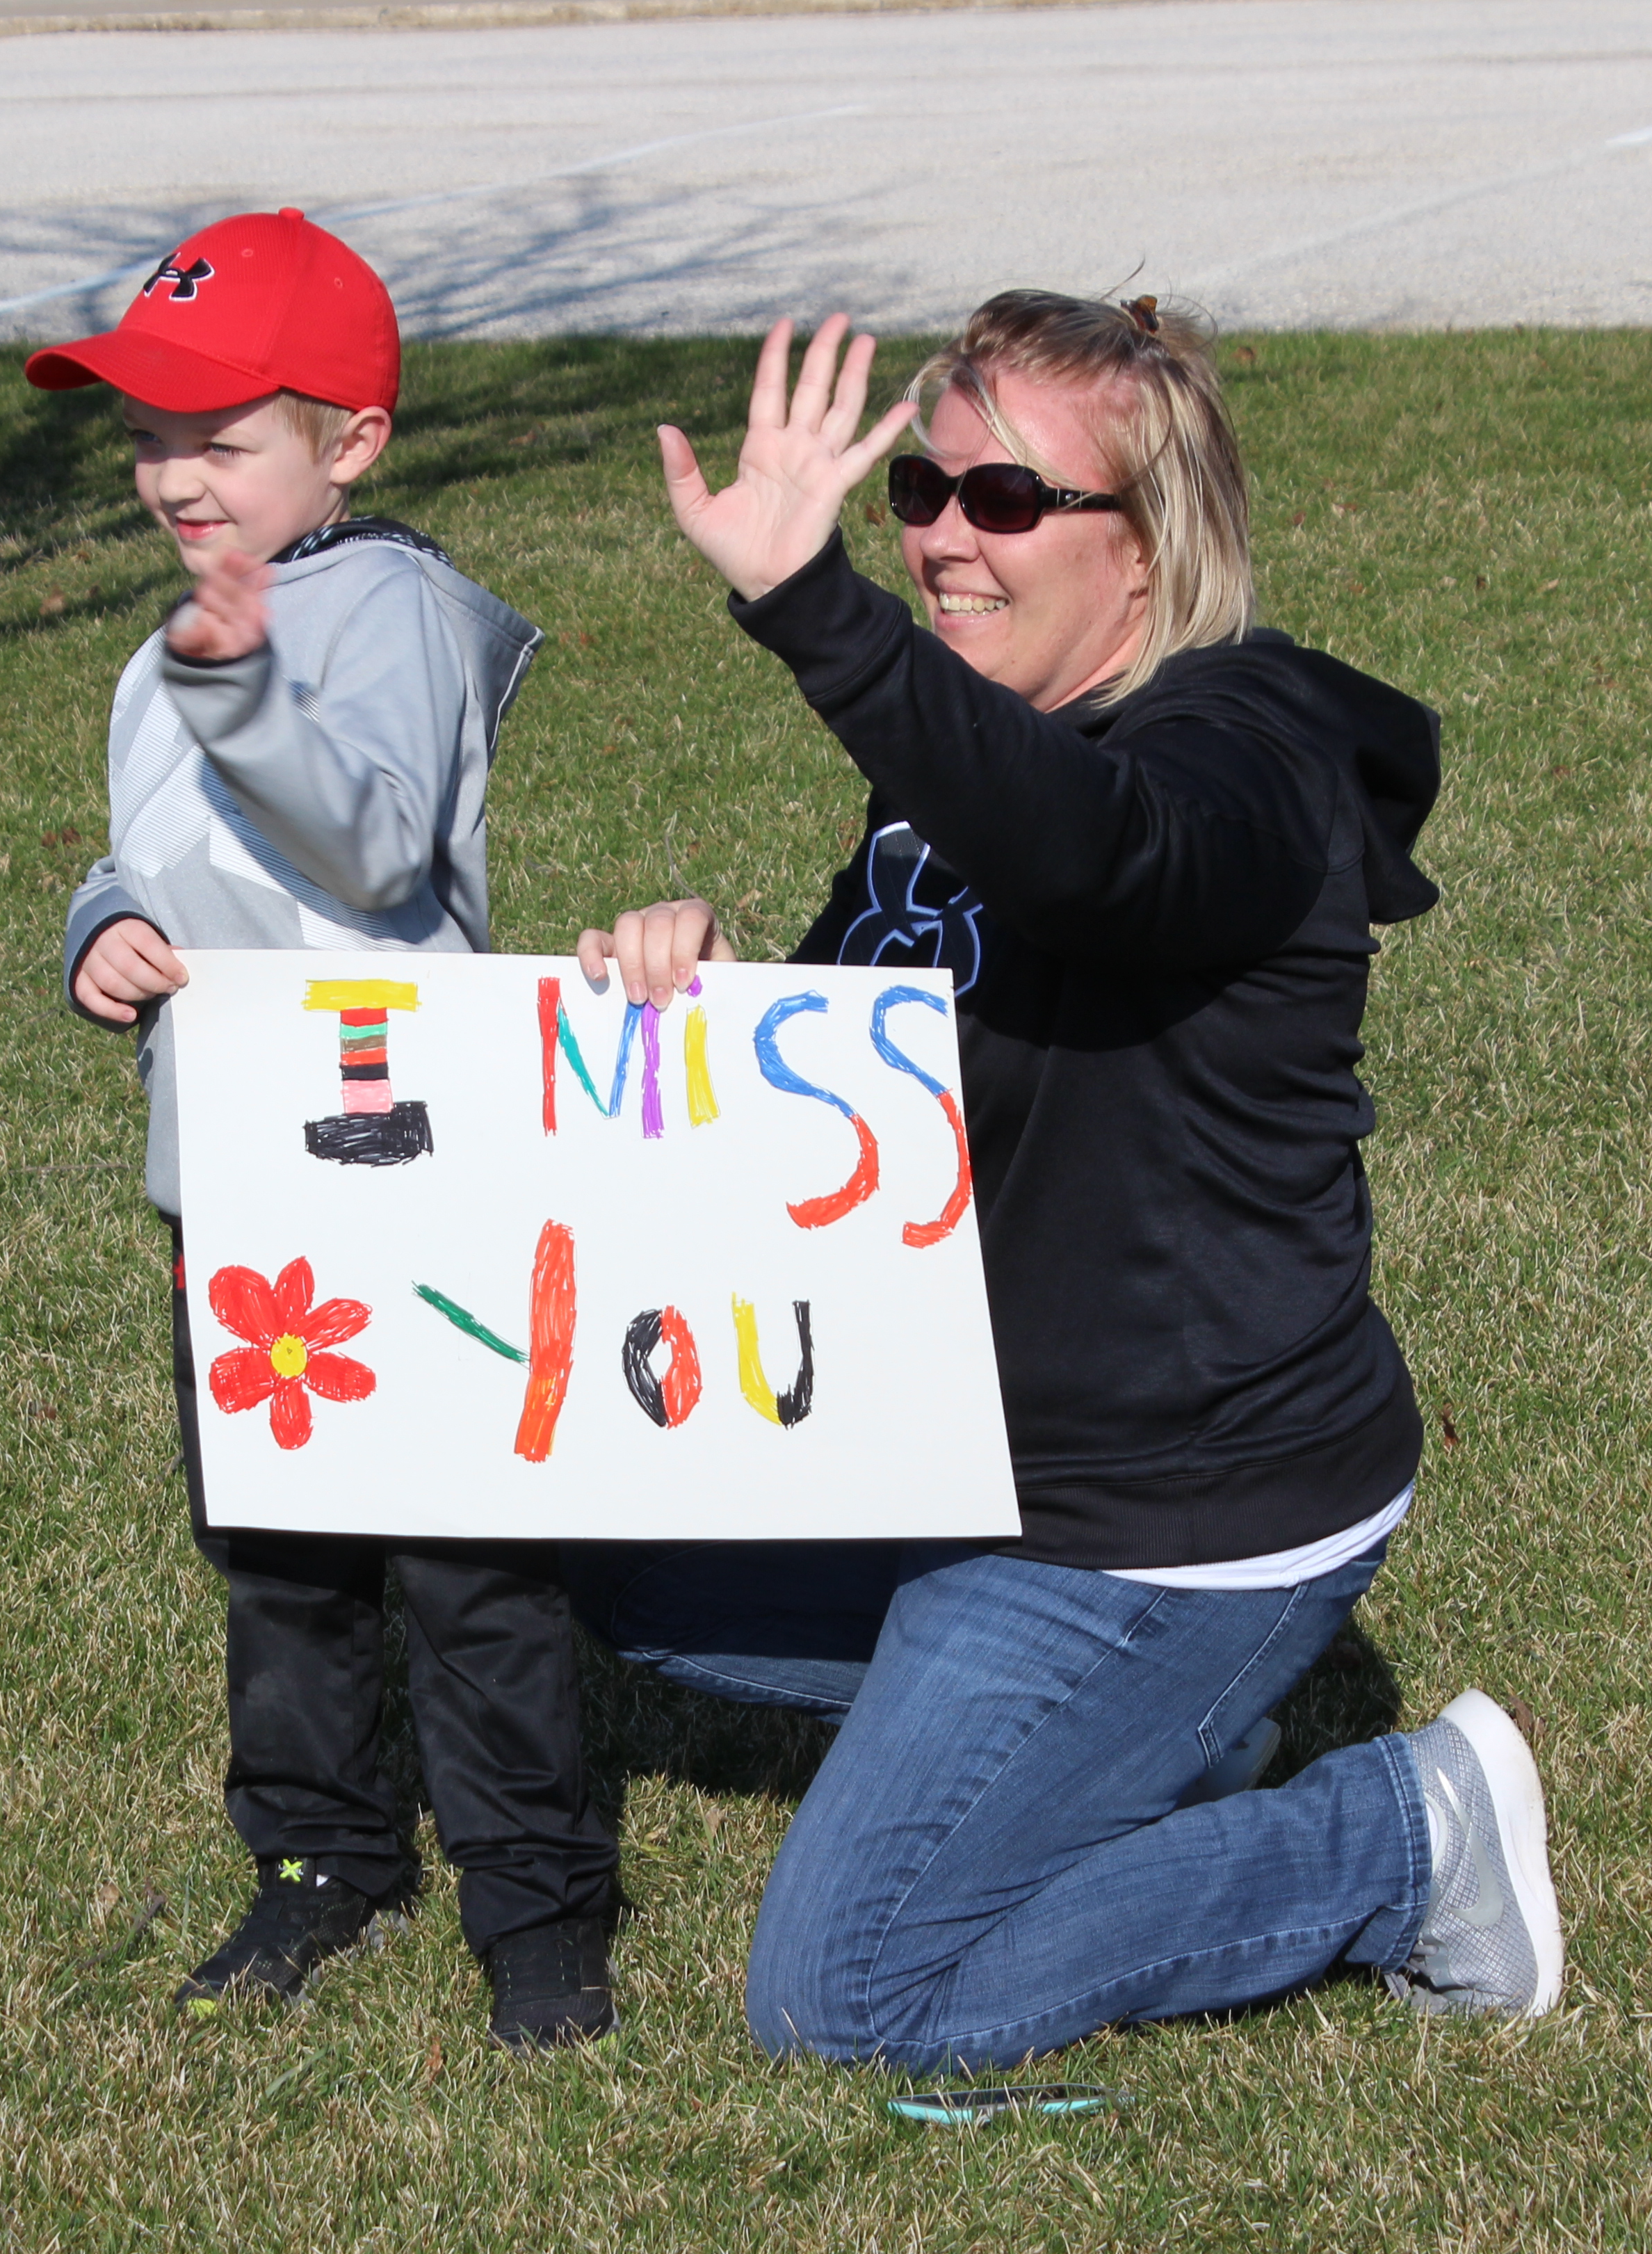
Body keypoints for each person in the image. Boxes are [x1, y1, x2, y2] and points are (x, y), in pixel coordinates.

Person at [569, 293, 1563, 2070]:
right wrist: (715, 991)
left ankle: (1405, 1839)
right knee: (585, 1545)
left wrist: (817, 612)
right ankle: (1142, 1748)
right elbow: (856, 1089)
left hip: (1174, 1514)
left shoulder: (1245, 760)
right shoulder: (960, 763)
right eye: (921, 499)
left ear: (1146, 545)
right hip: (966, 1443)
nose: (950, 538)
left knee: (844, 1998)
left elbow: (1103, 862)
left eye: (1008, 501)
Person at [35, 209, 622, 2048]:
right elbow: (157, 851)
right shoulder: (184, 644)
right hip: (235, 1180)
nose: (171, 476)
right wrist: (101, 929)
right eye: (150, 437)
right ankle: (318, 1858)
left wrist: (236, 683)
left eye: (222, 438)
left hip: (402, 1169)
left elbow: (370, 841)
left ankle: (536, 1904)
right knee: (280, 1550)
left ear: (349, 444)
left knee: (467, 1564)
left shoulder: (394, 614)